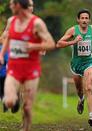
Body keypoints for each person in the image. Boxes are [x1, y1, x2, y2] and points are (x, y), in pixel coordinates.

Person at [0, 0, 55, 131]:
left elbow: (51, 43)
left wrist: (35, 46)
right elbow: (6, 37)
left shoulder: (37, 23)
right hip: (13, 68)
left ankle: (26, 127)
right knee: (9, 101)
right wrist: (1, 54)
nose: (10, 7)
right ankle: (13, 101)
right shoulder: (11, 21)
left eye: (12, 4)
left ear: (18, 5)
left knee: (28, 106)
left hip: (31, 70)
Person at [56, 8, 92, 126]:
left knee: (88, 87)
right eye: (82, 18)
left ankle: (91, 115)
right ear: (78, 20)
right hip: (76, 64)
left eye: (86, 18)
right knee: (79, 89)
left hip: (90, 63)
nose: (84, 20)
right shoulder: (73, 30)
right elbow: (58, 43)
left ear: (89, 20)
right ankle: (81, 99)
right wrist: (73, 42)